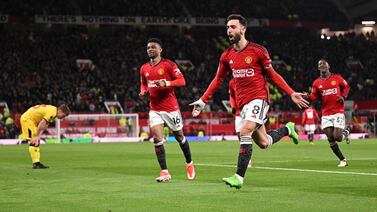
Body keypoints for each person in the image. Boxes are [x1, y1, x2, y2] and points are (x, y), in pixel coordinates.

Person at [190, 14, 308, 189]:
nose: (229, 30)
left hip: (259, 98)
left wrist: (290, 92)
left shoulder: (258, 51)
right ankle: (287, 129)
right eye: (227, 27)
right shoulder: (226, 55)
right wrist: (202, 100)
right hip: (243, 103)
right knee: (263, 143)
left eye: (233, 27)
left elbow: (273, 75)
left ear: (243, 29)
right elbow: (217, 79)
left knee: (244, 131)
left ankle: (239, 177)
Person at [139, 38, 195, 182]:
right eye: (148, 47)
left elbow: (182, 81)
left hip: (171, 108)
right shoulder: (144, 68)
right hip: (154, 109)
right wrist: (143, 91)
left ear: (160, 50)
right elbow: (144, 84)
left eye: (153, 47)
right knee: (157, 138)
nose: (150, 49)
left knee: (179, 137)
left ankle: (189, 162)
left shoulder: (168, 65)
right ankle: (164, 172)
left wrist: (166, 82)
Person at [306, 59, 351, 167]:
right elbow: (313, 96)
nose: (322, 65)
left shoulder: (337, 78)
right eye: (320, 64)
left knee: (338, 137)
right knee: (330, 138)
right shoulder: (316, 83)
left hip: (337, 112)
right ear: (318, 68)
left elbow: (347, 87)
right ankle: (343, 160)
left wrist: (343, 96)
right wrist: (306, 96)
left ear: (328, 66)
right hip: (326, 113)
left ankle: (346, 133)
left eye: (324, 63)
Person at [20, 104, 70, 169]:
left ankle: (36, 163)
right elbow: (42, 123)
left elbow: (45, 125)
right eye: (63, 115)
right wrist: (37, 136)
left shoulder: (53, 112)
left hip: (30, 120)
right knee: (34, 140)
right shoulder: (52, 112)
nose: (62, 118)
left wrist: (39, 136)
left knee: (36, 140)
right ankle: (36, 163)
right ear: (60, 111)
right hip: (28, 119)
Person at [229, 79, 252, 168]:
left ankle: (247, 159)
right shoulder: (232, 82)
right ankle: (247, 158)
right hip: (238, 112)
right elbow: (231, 95)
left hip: (248, 110)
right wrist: (233, 106)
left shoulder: (248, 80)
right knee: (239, 135)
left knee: (258, 138)